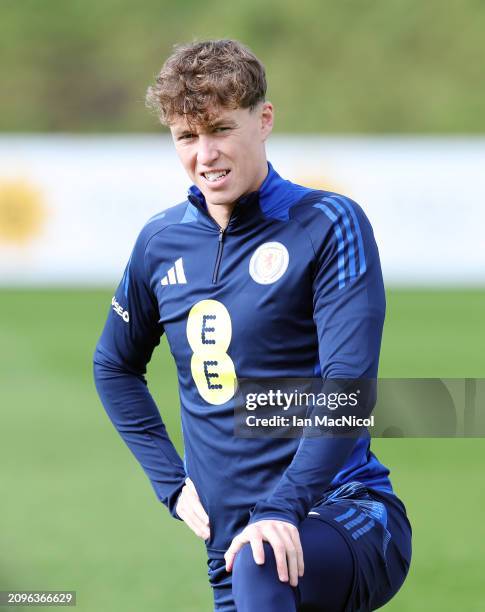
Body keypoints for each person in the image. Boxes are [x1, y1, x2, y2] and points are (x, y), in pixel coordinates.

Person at [93, 39, 412, 611]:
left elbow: (349, 388)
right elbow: (113, 365)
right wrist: (171, 482)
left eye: (220, 129)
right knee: (253, 565)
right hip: (231, 544)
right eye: (187, 137)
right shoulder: (160, 242)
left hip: (341, 511)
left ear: (263, 120)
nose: (205, 153)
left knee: (262, 565)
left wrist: (283, 506)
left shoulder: (326, 223)